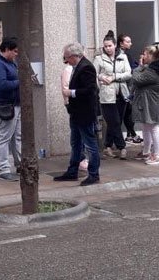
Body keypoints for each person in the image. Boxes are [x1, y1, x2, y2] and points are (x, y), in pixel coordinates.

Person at [54, 42, 101, 185]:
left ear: (74, 56)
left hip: (85, 113)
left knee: (90, 144)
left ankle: (94, 174)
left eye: (67, 57)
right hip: (76, 113)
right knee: (76, 144)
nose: (66, 60)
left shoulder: (86, 67)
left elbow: (90, 90)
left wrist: (71, 93)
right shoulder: (77, 66)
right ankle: (72, 171)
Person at [130, 44, 159, 165]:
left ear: (151, 56)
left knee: (154, 128)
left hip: (152, 103)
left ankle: (158, 156)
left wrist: (139, 67)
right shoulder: (158, 68)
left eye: (145, 54)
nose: (143, 56)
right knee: (146, 126)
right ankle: (146, 152)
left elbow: (137, 79)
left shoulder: (153, 71)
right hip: (151, 102)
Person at [0, 37, 22, 181]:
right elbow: (1, 85)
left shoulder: (10, 63)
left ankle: (21, 165)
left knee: (18, 137)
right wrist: (20, 82)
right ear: (7, 49)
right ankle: (3, 169)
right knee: (4, 138)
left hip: (15, 105)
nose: (16, 54)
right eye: (15, 51)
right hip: (5, 106)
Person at [94, 31, 131, 160]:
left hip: (121, 93)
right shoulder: (99, 59)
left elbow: (128, 73)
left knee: (116, 122)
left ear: (115, 45)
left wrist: (114, 77)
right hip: (107, 94)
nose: (108, 48)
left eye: (110, 45)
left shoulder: (123, 57)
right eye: (105, 46)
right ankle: (122, 147)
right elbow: (93, 74)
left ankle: (107, 146)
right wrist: (101, 77)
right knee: (113, 121)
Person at [117, 33, 142, 144]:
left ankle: (130, 134)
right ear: (121, 43)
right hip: (123, 87)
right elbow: (131, 70)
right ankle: (129, 135)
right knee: (124, 113)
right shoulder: (120, 55)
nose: (130, 43)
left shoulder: (127, 55)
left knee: (128, 112)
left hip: (128, 87)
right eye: (127, 41)